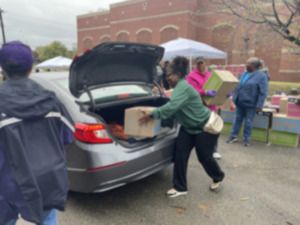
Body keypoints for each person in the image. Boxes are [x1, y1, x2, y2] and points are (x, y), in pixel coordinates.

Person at [0, 41, 75, 225]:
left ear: (2, 67)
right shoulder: (51, 99)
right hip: (47, 178)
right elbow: (68, 136)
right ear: (32, 67)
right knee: (47, 218)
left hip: (6, 181)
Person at [139, 56, 225, 198]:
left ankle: (218, 176)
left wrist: (152, 114)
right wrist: (158, 119)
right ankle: (180, 187)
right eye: (166, 76)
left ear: (178, 75)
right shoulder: (179, 88)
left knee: (204, 157)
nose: (167, 79)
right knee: (180, 154)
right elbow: (175, 111)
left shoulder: (183, 87)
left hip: (204, 126)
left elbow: (171, 107)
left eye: (169, 76)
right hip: (188, 127)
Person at [226, 57, 268, 146]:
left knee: (248, 122)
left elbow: (263, 92)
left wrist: (260, 104)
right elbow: (237, 86)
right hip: (239, 102)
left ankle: (246, 138)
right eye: (246, 63)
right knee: (237, 120)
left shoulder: (261, 76)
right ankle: (233, 136)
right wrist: (232, 95)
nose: (246, 65)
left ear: (254, 65)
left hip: (251, 104)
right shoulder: (243, 74)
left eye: (248, 63)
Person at [186, 56, 222, 159]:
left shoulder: (210, 75)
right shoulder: (191, 77)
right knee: (203, 130)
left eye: (202, 63)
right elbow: (192, 91)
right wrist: (205, 92)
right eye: (198, 63)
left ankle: (214, 150)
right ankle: (204, 150)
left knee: (214, 128)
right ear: (195, 64)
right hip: (200, 107)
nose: (200, 65)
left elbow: (218, 87)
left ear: (205, 63)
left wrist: (224, 92)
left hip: (212, 106)